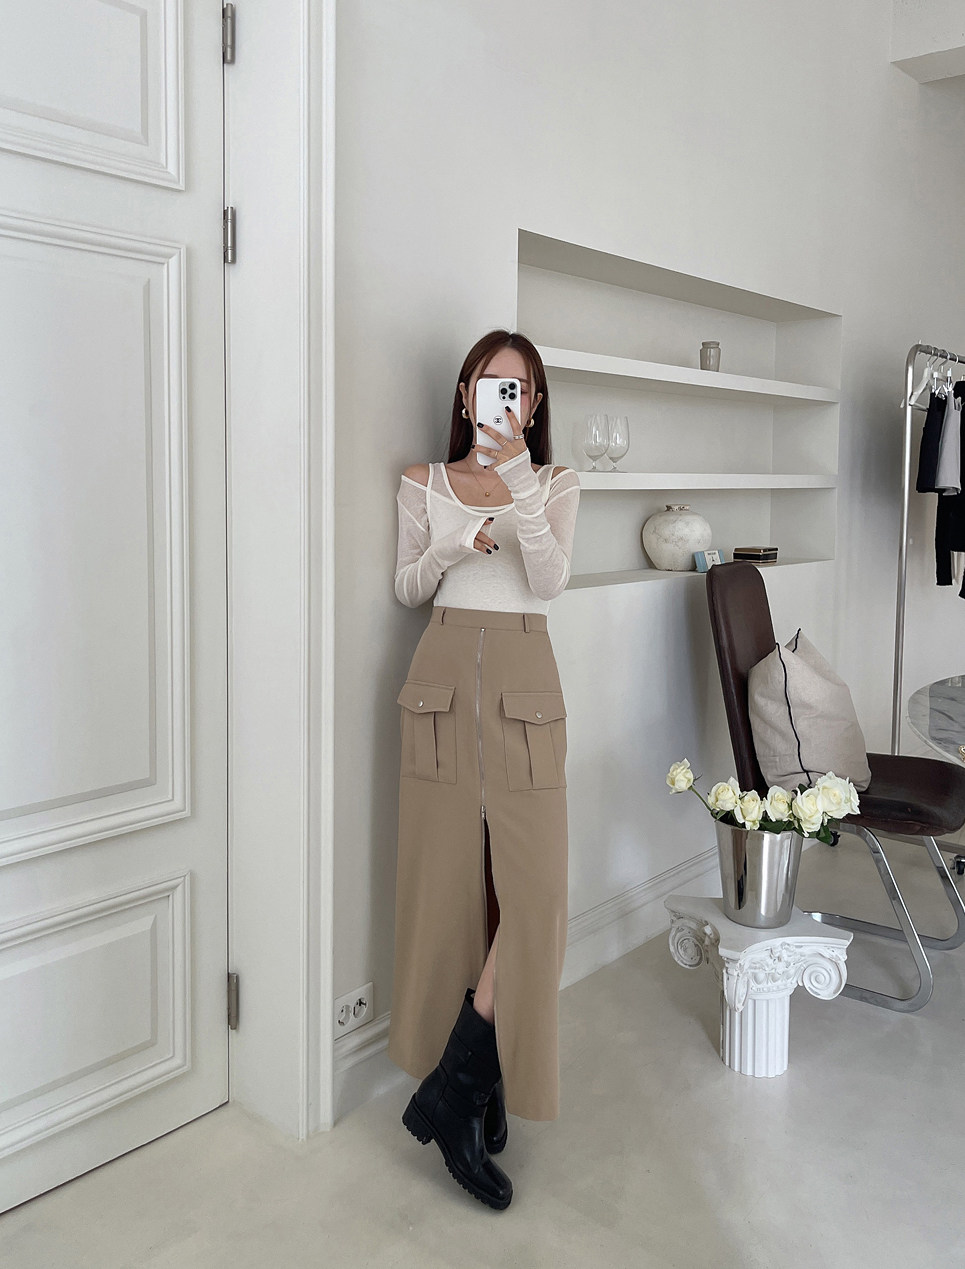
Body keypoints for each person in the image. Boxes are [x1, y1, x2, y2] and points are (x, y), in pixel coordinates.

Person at [388, 329, 580, 1210]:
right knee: (451, 890)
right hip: (437, 680)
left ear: (532, 408)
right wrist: (453, 546)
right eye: (489, 383)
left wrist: (519, 486)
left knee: (533, 894)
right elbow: (406, 587)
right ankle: (472, 1079)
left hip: (523, 684)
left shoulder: (555, 483)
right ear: (464, 393)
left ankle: (455, 1086)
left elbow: (548, 580)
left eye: (520, 389)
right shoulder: (421, 481)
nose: (504, 398)